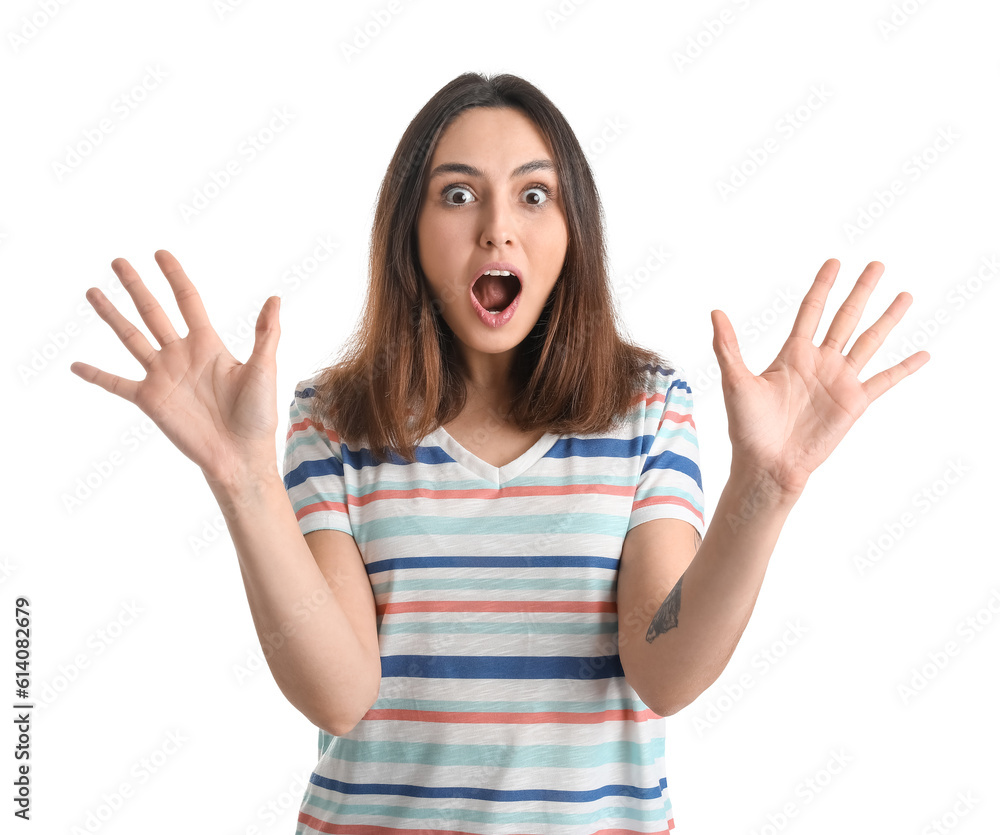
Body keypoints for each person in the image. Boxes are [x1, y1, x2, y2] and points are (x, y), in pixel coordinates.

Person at [70, 72, 929, 834]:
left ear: (572, 230)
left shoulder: (647, 409)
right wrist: (242, 476)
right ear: (406, 229)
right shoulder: (332, 420)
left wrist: (767, 489)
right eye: (456, 195)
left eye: (532, 196)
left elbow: (664, 666)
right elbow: (338, 693)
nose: (496, 231)